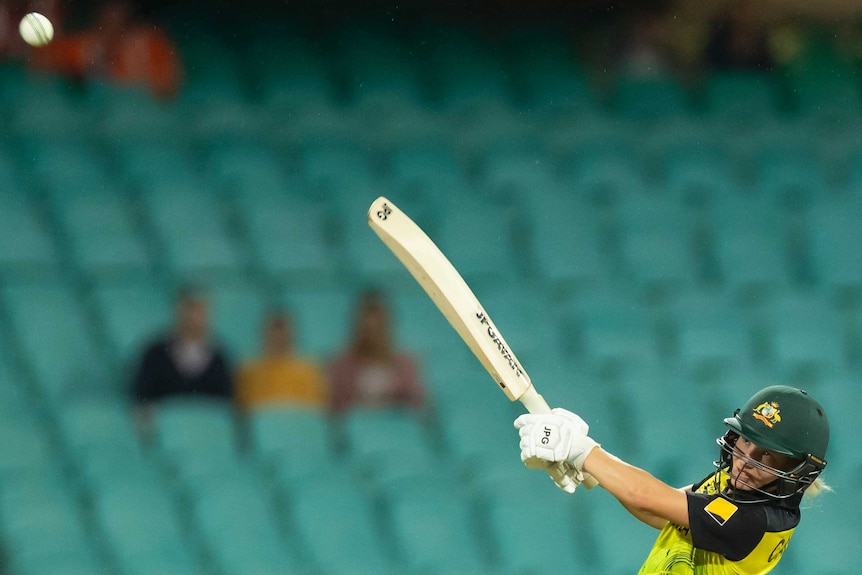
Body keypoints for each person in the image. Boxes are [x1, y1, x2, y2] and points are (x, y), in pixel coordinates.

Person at [515, 385, 830, 574]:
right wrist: (592, 465)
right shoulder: (744, 485)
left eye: (768, 455)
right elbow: (660, 510)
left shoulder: (756, 521)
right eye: (746, 441)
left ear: (796, 471)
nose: (746, 460)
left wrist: (583, 451)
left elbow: (646, 498)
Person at [30, 0, 181, 98]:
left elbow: (170, 88)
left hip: (129, 119)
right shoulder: (82, 44)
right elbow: (40, 72)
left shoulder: (151, 44)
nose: (114, 15)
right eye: (109, 8)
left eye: (119, 8)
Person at [326, 289, 425, 413]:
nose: (372, 335)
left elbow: (417, 405)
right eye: (367, 329)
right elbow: (334, 408)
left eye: (378, 328)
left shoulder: (405, 365)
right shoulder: (341, 365)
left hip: (396, 428)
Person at [132, 286, 234, 406]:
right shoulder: (155, 354)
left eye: (199, 309)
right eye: (189, 308)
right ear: (177, 311)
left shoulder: (219, 359)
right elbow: (141, 399)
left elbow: (227, 404)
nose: (193, 317)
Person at [236, 310, 326, 411]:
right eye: (273, 333)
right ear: (263, 334)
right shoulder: (248, 372)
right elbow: (241, 413)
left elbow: (313, 414)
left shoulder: (309, 372)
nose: (278, 338)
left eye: (282, 334)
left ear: (292, 335)